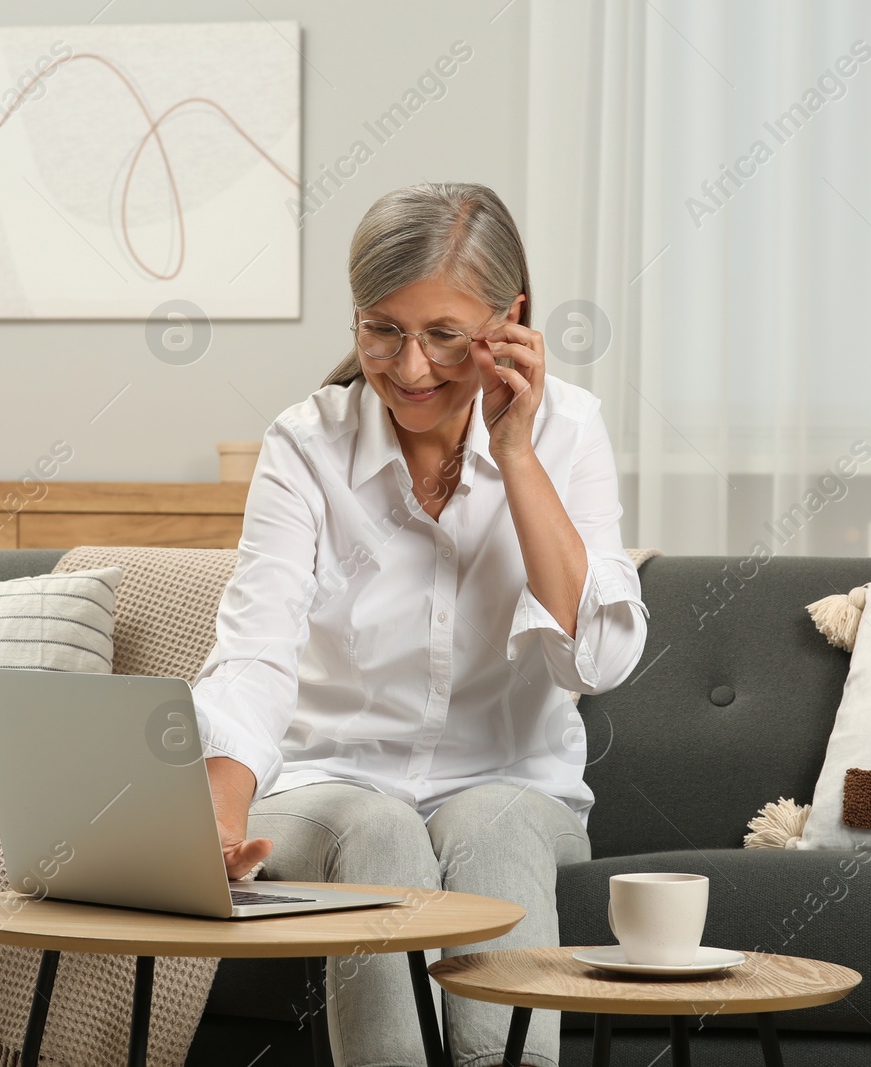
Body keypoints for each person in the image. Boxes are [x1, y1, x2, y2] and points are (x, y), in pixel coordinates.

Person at [192, 181, 648, 1067]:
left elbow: (592, 659)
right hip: (328, 785)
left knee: (490, 823)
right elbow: (256, 650)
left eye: (445, 335)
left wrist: (513, 453)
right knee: (381, 825)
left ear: (510, 320)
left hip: (514, 784)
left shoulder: (571, 431)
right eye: (382, 331)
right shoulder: (306, 444)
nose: (409, 370)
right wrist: (216, 815)